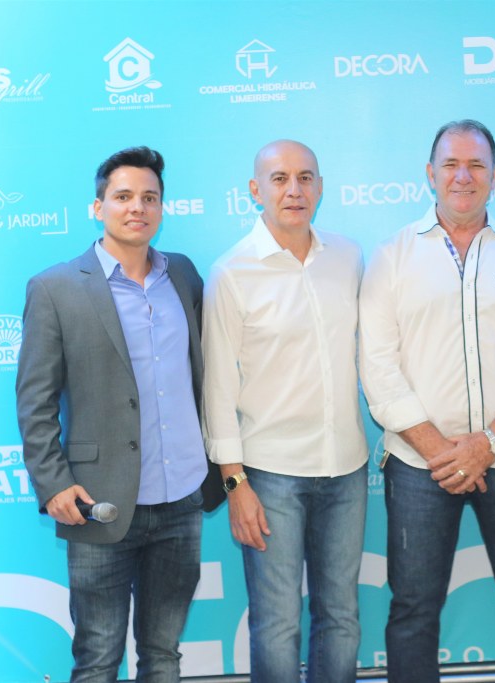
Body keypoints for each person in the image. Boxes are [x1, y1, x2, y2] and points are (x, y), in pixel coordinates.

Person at [358, 119, 495, 683]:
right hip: (419, 465)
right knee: (412, 610)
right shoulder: (393, 255)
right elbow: (378, 366)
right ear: (431, 174)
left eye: (476, 165)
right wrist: (442, 452)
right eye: (451, 164)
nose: (463, 176)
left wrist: (489, 444)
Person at [16, 146, 224, 682]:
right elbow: (35, 400)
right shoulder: (56, 288)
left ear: (162, 208)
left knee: (164, 653)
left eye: (149, 198)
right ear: (98, 207)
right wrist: (53, 483)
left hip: (181, 498)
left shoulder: (182, 275)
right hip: (98, 502)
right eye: (124, 196)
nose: (138, 207)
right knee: (98, 657)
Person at [202, 140, 367, 683]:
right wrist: (235, 484)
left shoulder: (347, 257)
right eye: (279, 179)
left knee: (341, 618)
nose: (293, 190)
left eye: (305, 177)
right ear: (256, 190)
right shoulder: (231, 273)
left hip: (346, 467)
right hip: (269, 475)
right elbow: (218, 387)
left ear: (320, 187)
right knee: (276, 625)